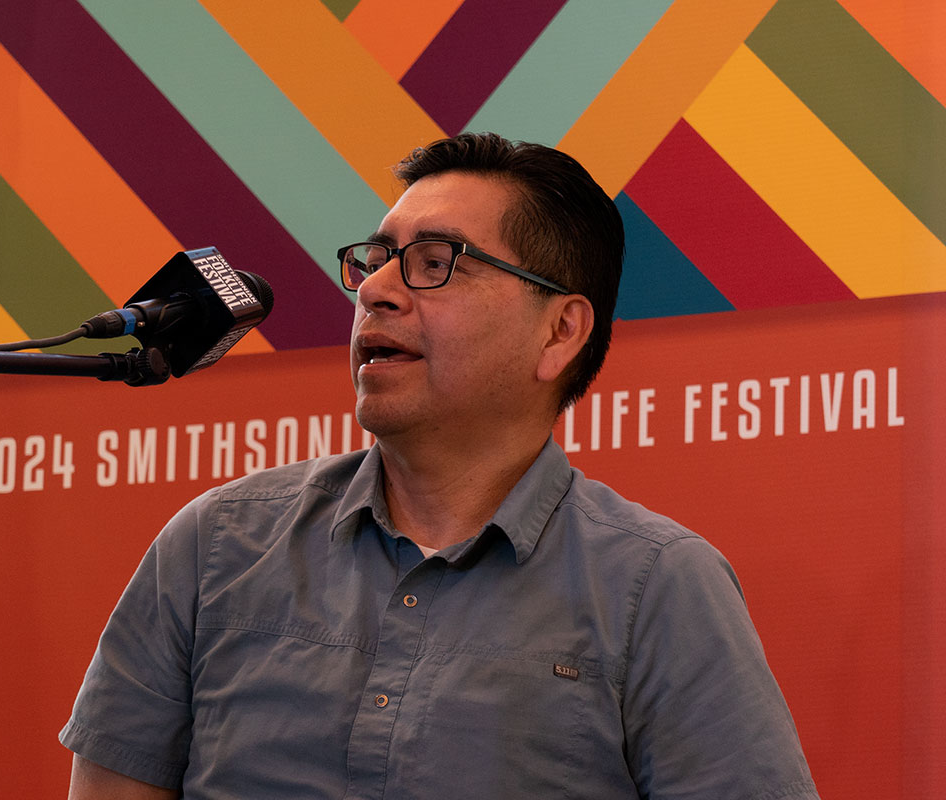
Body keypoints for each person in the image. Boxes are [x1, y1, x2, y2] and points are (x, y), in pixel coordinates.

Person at [60, 132, 819, 799]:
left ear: (560, 331)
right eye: (377, 260)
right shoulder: (217, 545)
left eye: (434, 263)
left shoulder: (656, 587)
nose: (377, 292)